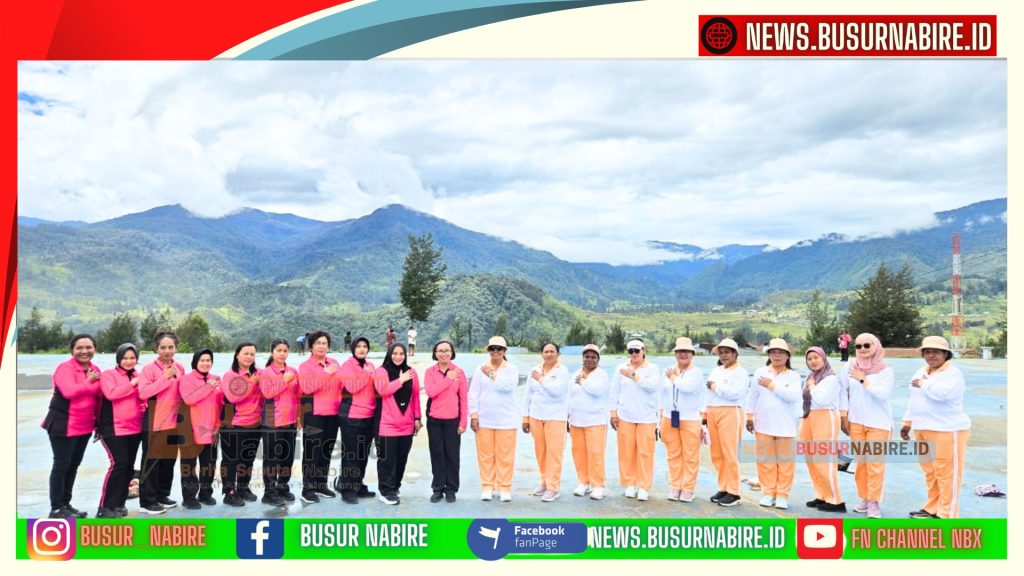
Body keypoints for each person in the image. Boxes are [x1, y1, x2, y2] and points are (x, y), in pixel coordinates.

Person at [901, 336, 971, 519]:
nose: (931, 355)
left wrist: (924, 384)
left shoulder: (953, 373)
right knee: (930, 472)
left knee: (947, 474)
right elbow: (913, 399)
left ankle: (946, 514)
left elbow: (944, 395)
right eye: (927, 352)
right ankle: (932, 508)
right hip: (923, 428)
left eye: (936, 352)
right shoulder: (920, 371)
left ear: (946, 354)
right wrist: (907, 423)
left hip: (947, 430)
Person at [43, 334, 102, 519]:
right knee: (61, 465)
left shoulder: (95, 369)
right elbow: (68, 392)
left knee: (73, 465)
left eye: (89, 347)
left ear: (94, 349)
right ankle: (56, 508)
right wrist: (88, 382)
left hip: (84, 426)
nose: (84, 351)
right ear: (72, 350)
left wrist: (98, 424)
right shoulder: (65, 368)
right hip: (63, 425)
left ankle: (66, 504)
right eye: (79, 348)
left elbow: (98, 398)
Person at [839, 332, 894, 519]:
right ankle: (864, 497)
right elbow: (843, 392)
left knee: (875, 464)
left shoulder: (885, 370)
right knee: (861, 464)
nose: (862, 349)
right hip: (856, 422)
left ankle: (874, 502)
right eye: (858, 346)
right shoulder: (849, 366)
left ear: (876, 346)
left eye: (867, 345)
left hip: (879, 423)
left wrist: (862, 379)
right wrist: (843, 417)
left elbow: (882, 394)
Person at [746, 338, 802, 510]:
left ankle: (782, 495)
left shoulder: (793, 376)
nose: (777, 356)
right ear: (769, 355)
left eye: (780, 353)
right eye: (773, 352)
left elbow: (793, 397)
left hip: (785, 426)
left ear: (787, 356)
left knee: (785, 462)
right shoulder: (761, 372)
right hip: (763, 423)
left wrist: (772, 385)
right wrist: (749, 416)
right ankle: (768, 492)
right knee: (765, 460)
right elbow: (753, 396)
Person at [137, 331, 186, 514]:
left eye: (170, 347)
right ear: (156, 348)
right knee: (151, 462)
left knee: (168, 461)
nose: (167, 351)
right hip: (155, 420)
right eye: (163, 347)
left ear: (176, 347)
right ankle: (147, 501)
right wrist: (164, 377)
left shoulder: (180, 367)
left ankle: (162, 495)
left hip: (174, 422)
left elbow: (183, 391)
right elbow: (144, 393)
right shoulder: (149, 370)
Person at [469, 336, 520, 502]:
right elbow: (473, 393)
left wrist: (491, 374)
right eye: (492, 349)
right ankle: (487, 487)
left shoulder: (511, 369)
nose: (496, 351)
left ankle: (505, 488)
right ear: (488, 351)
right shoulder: (480, 369)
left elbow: (507, 387)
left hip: (506, 420)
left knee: (505, 456)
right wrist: (474, 415)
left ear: (505, 351)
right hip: (484, 420)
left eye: (499, 348)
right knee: (485, 456)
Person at [96, 343, 145, 518]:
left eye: (132, 358)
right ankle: (105, 507)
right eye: (125, 358)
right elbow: (111, 394)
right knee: (118, 464)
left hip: (135, 428)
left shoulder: (138, 375)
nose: (129, 361)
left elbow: (143, 397)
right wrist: (133, 384)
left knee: (128, 467)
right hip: (113, 428)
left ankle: (118, 504)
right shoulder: (109, 375)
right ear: (118, 358)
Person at [609, 339, 660, 502]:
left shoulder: (653, 369)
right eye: (630, 351)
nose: (633, 354)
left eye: (636, 351)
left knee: (645, 452)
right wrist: (613, 413)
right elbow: (614, 392)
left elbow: (652, 386)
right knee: (626, 451)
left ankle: (644, 486)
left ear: (644, 350)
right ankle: (630, 483)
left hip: (646, 417)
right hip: (625, 416)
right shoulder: (620, 368)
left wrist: (633, 375)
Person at [298, 330, 343, 503]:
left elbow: (341, 385)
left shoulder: (334, 362)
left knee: (326, 451)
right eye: (318, 343)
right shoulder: (306, 366)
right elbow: (308, 388)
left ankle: (321, 484)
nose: (322, 346)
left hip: (333, 414)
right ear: (311, 346)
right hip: (314, 414)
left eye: (324, 343)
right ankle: (308, 489)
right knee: (311, 452)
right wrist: (326, 373)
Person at [374, 343, 422, 504]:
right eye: (395, 353)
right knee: (387, 460)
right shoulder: (381, 371)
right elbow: (383, 390)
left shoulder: (412, 372)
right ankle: (385, 491)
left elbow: (415, 397)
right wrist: (401, 380)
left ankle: (395, 487)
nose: (398, 356)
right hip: (387, 425)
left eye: (401, 353)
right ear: (389, 354)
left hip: (406, 425)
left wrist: (417, 418)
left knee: (401, 459)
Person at [705, 338, 750, 507]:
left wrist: (716, 387)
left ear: (735, 353)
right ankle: (723, 487)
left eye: (727, 352)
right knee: (717, 453)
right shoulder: (717, 370)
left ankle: (734, 491)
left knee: (730, 453)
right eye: (721, 352)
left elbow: (734, 394)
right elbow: (708, 392)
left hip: (730, 412)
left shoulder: (741, 372)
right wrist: (705, 412)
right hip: (713, 411)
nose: (724, 355)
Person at [523, 342, 571, 502]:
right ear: (541, 354)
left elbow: (557, 391)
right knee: (541, 452)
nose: (549, 354)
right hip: (536, 416)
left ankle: (553, 487)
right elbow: (527, 395)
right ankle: (544, 481)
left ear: (558, 354)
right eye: (546, 351)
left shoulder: (562, 371)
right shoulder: (534, 370)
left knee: (554, 453)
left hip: (555, 417)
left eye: (552, 351)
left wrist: (542, 380)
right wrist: (526, 417)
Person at [801, 346, 846, 512]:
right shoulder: (811, 376)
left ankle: (835, 500)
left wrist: (812, 386)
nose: (813, 361)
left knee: (824, 460)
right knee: (811, 460)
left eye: (816, 357)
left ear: (823, 358)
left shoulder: (831, 378)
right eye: (809, 359)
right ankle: (821, 495)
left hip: (825, 417)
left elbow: (821, 400)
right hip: (808, 417)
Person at [660, 337, 704, 503]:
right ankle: (675, 486)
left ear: (692, 354)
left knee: (690, 455)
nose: (683, 354)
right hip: (669, 418)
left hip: (690, 419)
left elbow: (686, 388)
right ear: (675, 354)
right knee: (673, 454)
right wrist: (661, 415)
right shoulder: (668, 370)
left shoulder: (696, 372)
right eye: (679, 351)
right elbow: (662, 394)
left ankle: (688, 488)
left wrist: (673, 378)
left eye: (686, 351)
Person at [178, 348, 223, 510]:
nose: (205, 363)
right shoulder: (186, 379)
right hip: (190, 429)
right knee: (188, 466)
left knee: (208, 464)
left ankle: (205, 494)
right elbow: (189, 399)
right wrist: (208, 387)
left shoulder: (217, 379)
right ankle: (189, 497)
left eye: (208, 360)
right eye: (202, 360)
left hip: (210, 429)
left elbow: (220, 405)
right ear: (195, 362)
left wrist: (218, 425)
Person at [220, 342, 265, 507]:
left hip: (255, 423)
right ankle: (229, 493)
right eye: (245, 353)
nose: (249, 357)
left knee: (248, 459)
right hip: (234, 424)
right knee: (231, 460)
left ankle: (243, 487)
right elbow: (233, 397)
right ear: (237, 355)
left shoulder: (259, 373)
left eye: (252, 354)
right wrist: (252, 383)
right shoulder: (230, 375)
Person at [424, 340, 468, 503]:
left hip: (453, 421)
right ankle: (438, 488)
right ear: (435, 353)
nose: (444, 353)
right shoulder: (430, 372)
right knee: (437, 454)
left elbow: (463, 399)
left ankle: (451, 489)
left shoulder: (459, 372)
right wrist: (448, 379)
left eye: (447, 350)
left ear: (452, 352)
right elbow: (431, 392)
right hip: (434, 421)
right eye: (440, 350)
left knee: (452, 455)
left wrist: (463, 422)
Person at [338, 335, 380, 504]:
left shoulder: (370, 365)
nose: (362, 349)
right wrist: (365, 374)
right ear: (353, 348)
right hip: (351, 416)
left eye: (365, 346)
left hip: (369, 415)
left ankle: (358, 483)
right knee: (351, 454)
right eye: (359, 346)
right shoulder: (347, 366)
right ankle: (347, 489)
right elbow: (352, 387)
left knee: (363, 454)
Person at [261, 339, 301, 506]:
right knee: (272, 458)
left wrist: (299, 416)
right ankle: (269, 492)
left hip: (290, 420)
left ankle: (282, 487)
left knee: (287, 456)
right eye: (279, 350)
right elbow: (268, 393)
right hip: (272, 420)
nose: (282, 353)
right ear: (272, 352)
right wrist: (284, 380)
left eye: (285, 350)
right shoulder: (266, 373)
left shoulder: (293, 371)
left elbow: (297, 395)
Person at [568, 344, 610, 500]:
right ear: (583, 358)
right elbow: (569, 396)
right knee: (579, 453)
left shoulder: (602, 374)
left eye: (593, 357)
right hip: (576, 420)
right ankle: (583, 482)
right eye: (587, 357)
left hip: (595, 420)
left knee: (596, 454)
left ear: (598, 359)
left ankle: (598, 486)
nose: (589, 360)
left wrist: (583, 381)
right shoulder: (575, 374)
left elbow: (597, 391)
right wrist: (568, 416)